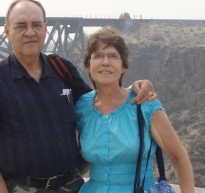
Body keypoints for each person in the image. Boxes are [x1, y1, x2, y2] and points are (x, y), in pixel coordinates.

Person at [0, 0, 157, 193]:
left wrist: (134, 89)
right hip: (22, 188)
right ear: (7, 32)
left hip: (71, 186)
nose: (30, 32)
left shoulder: (62, 69)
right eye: (20, 26)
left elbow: (100, 104)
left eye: (36, 24)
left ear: (46, 28)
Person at [75, 27, 194, 193]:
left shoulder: (144, 104)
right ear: (88, 64)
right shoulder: (82, 107)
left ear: (124, 66)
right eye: (98, 56)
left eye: (113, 56)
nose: (105, 62)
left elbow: (179, 158)